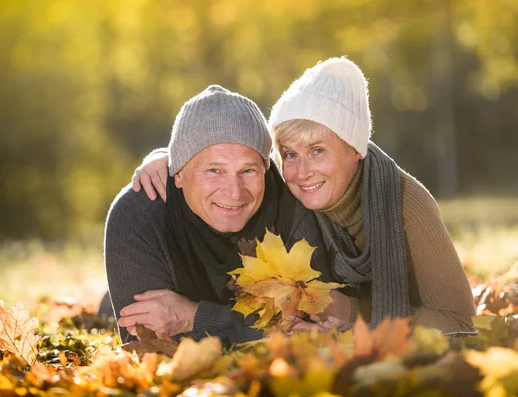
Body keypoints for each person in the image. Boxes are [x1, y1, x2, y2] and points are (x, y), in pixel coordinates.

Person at [130, 57, 476, 333]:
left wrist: (357, 313)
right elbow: (225, 149)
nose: (301, 171)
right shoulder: (286, 189)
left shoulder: (405, 205)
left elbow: (461, 321)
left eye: (318, 150)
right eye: (290, 153)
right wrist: (165, 157)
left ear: (355, 149)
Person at [102, 84, 330, 345]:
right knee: (111, 311)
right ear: (178, 174)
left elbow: (315, 327)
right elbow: (148, 344)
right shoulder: (139, 212)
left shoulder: (293, 204)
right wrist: (255, 327)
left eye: (248, 171)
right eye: (214, 171)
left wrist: (194, 317)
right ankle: (106, 301)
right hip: (148, 272)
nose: (235, 193)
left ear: (266, 171)